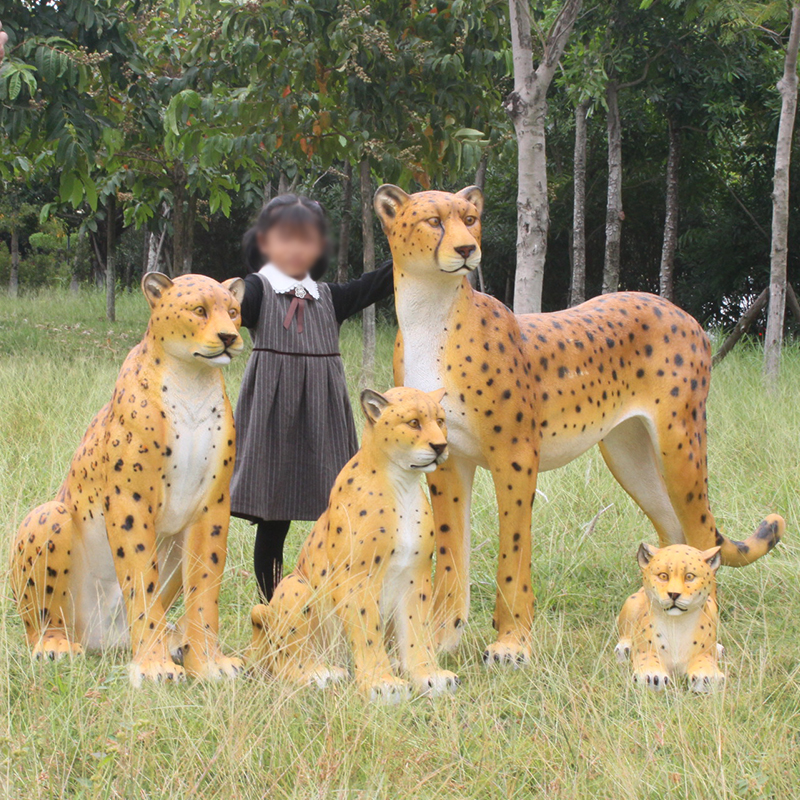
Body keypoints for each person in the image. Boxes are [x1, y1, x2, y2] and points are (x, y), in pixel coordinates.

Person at [231, 194, 394, 601]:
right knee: (275, 515)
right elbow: (221, 307)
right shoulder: (256, 290)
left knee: (340, 506)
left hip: (324, 413)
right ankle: (275, 606)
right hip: (273, 413)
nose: (296, 247)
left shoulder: (328, 296)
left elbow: (379, 282)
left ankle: (338, 595)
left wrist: (412, 246)